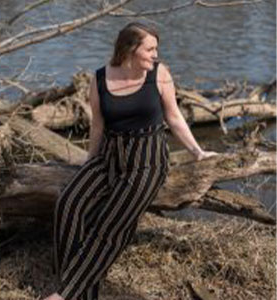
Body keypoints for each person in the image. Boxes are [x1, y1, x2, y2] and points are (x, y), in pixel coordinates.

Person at [44, 22, 218, 300]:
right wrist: (89, 163)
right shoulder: (100, 79)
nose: (155, 54)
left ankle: (64, 294)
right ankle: (81, 291)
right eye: (150, 49)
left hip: (147, 161)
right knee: (68, 204)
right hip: (108, 156)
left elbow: (174, 117)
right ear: (130, 49)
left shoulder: (160, 75)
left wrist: (198, 152)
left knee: (110, 224)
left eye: (156, 49)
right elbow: (98, 127)